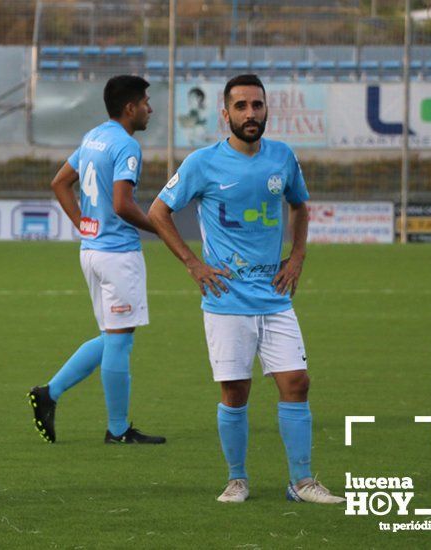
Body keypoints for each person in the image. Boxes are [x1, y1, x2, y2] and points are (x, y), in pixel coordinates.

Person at [147, 74, 344, 504]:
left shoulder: (282, 157)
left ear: (266, 109)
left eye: (257, 105)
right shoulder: (202, 162)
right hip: (226, 299)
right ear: (225, 114)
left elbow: (300, 206)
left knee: (297, 381)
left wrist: (297, 257)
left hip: (274, 296)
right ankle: (237, 479)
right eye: (241, 107)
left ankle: (302, 482)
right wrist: (193, 263)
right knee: (235, 390)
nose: (250, 114)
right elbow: (159, 211)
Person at [28, 75, 165, 445]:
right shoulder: (126, 145)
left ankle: (49, 393)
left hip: (91, 251)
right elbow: (122, 204)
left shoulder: (94, 136)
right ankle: (118, 430)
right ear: (130, 108)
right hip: (117, 254)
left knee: (113, 337)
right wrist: (157, 226)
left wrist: (84, 225)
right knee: (120, 342)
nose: (150, 108)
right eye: (146, 102)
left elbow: (60, 182)